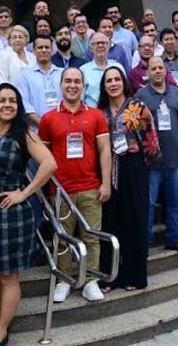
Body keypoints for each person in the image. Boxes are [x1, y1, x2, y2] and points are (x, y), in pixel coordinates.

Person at [0, 84, 55, 346]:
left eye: (12, 101)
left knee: (9, 276)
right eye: (2, 101)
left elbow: (49, 164)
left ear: (18, 106)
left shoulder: (24, 135)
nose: (7, 105)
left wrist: (24, 193)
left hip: (11, 213)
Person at [40, 67, 111, 303]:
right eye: (68, 81)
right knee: (62, 237)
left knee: (91, 237)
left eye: (77, 81)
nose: (72, 85)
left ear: (83, 86)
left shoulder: (96, 116)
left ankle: (90, 280)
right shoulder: (48, 118)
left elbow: (105, 151)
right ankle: (64, 280)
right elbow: (43, 156)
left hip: (91, 187)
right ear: (61, 85)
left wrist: (106, 183)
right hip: (60, 191)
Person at [97, 67, 159, 292]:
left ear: (123, 82)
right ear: (103, 86)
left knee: (134, 221)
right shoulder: (100, 112)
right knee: (110, 222)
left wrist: (139, 167)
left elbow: (152, 141)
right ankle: (110, 276)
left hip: (134, 169)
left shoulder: (137, 107)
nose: (113, 84)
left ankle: (134, 275)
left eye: (116, 79)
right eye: (108, 81)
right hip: (108, 170)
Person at [135, 56, 178, 251]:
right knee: (148, 206)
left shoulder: (176, 93)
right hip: (152, 163)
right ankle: (145, 243)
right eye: (153, 68)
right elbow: (137, 127)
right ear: (147, 72)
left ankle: (173, 239)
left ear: (166, 71)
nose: (157, 71)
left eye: (160, 68)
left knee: (175, 203)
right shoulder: (140, 96)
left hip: (175, 160)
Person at [16, 34, 63, 130]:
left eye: (47, 47)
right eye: (40, 47)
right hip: (36, 131)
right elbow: (24, 104)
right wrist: (44, 125)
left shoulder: (63, 73)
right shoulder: (24, 75)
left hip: (62, 128)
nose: (44, 50)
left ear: (52, 50)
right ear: (33, 51)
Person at [79, 32, 124, 108]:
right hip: (93, 115)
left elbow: (125, 92)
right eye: (96, 43)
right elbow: (80, 100)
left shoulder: (118, 67)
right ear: (91, 49)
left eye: (103, 43)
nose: (100, 45)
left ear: (109, 46)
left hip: (118, 114)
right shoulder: (83, 71)